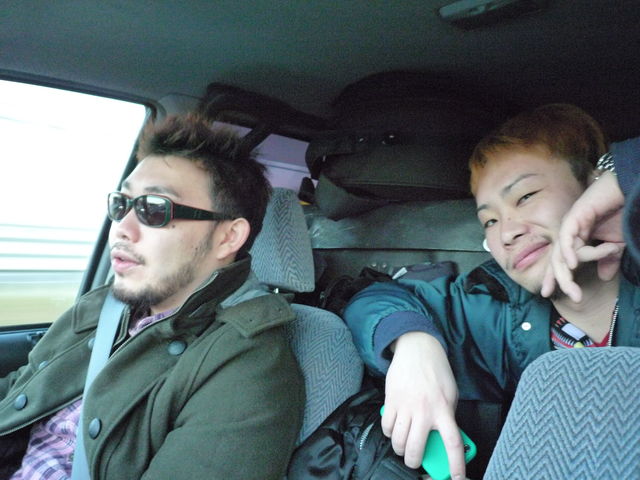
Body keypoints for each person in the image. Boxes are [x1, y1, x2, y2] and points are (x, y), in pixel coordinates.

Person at [343, 104, 640, 479]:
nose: (507, 232)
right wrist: (413, 344)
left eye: (526, 196)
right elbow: (372, 296)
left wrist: (625, 176)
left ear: (595, 189)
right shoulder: (488, 307)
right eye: (490, 220)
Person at [0, 114, 305, 479]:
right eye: (122, 204)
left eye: (154, 209)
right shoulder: (104, 306)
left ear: (228, 237)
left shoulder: (249, 365)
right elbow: (19, 389)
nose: (121, 228)